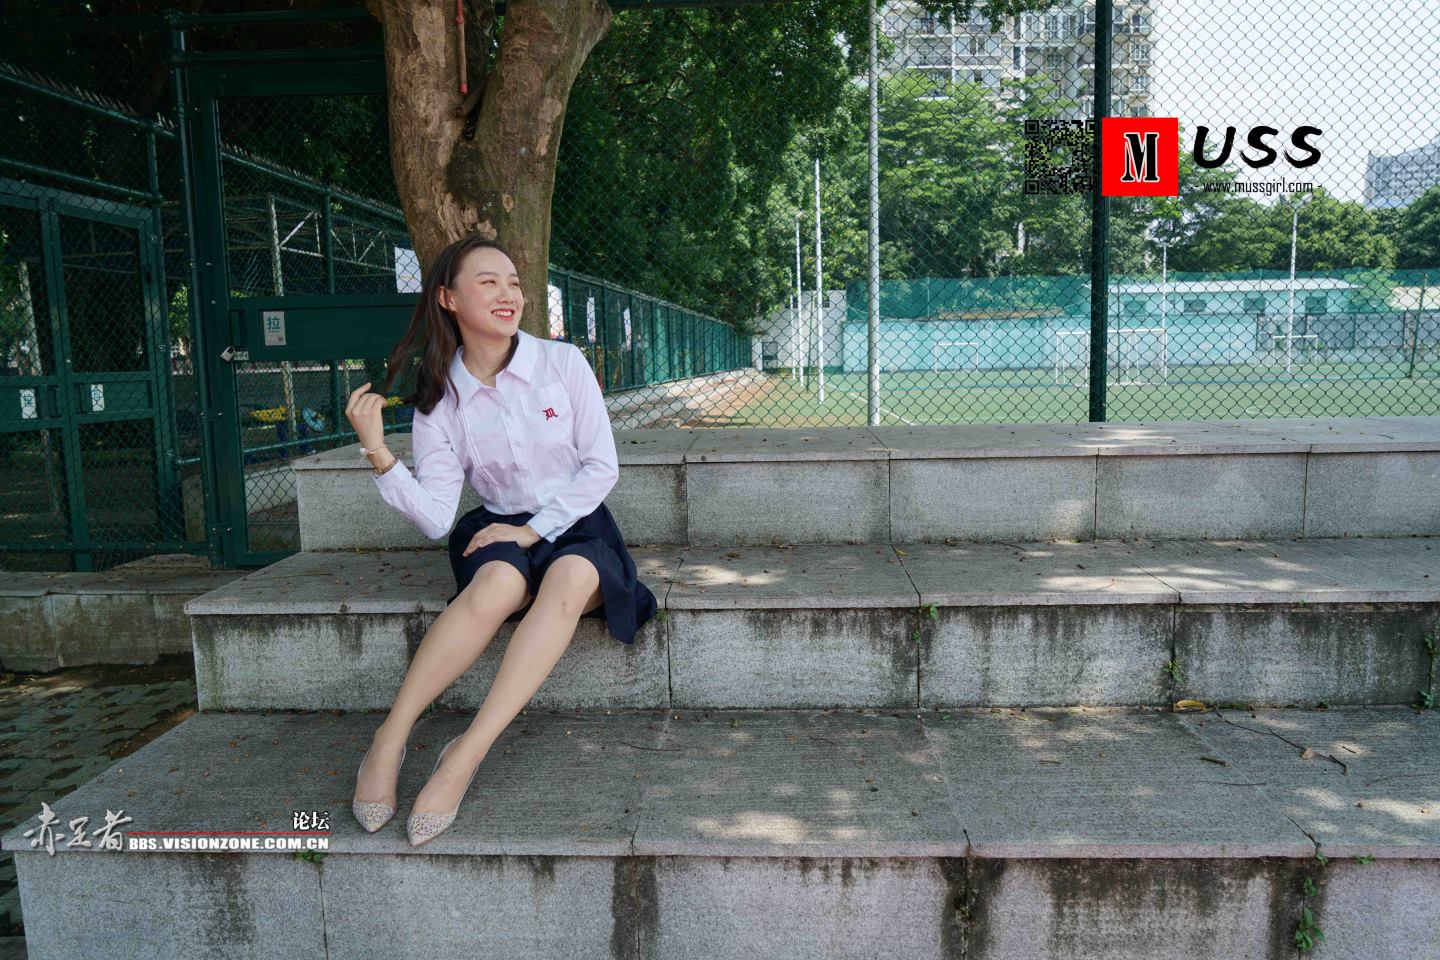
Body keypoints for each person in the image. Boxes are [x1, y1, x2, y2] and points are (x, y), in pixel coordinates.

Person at [343, 234, 657, 847]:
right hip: (497, 528)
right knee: (497, 583)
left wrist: (534, 529)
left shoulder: (562, 363)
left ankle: (465, 753)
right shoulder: (441, 399)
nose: (508, 293)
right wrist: (378, 451)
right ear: (448, 299)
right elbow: (437, 517)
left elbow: (601, 468)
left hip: (576, 524)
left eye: (513, 282)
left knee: (570, 576)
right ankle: (390, 737)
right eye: (488, 281)